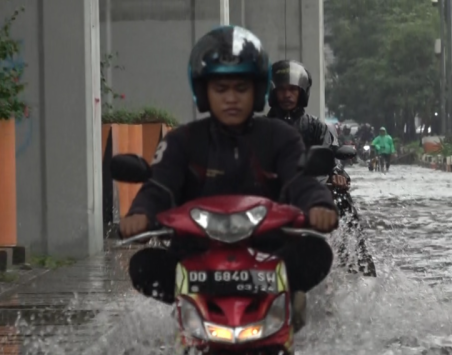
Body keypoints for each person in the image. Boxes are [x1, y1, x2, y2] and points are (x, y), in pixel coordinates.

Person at [119, 26, 337, 331]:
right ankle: (187, 327)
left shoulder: (281, 137)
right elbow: (159, 185)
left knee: (316, 253)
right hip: (196, 252)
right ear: (203, 91)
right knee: (144, 266)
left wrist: (319, 205)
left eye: (241, 88)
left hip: (267, 251)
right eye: (221, 89)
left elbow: (300, 180)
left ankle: (285, 308)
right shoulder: (181, 141)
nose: (231, 98)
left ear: (257, 91)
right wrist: (141, 214)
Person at [267, 60, 376, 277]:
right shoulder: (260, 128)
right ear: (273, 92)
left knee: (343, 200)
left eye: (292, 90)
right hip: (271, 192)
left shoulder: (316, 126)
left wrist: (337, 174)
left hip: (310, 191)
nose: (287, 95)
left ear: (302, 93)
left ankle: (358, 262)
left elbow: (332, 155)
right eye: (282, 90)